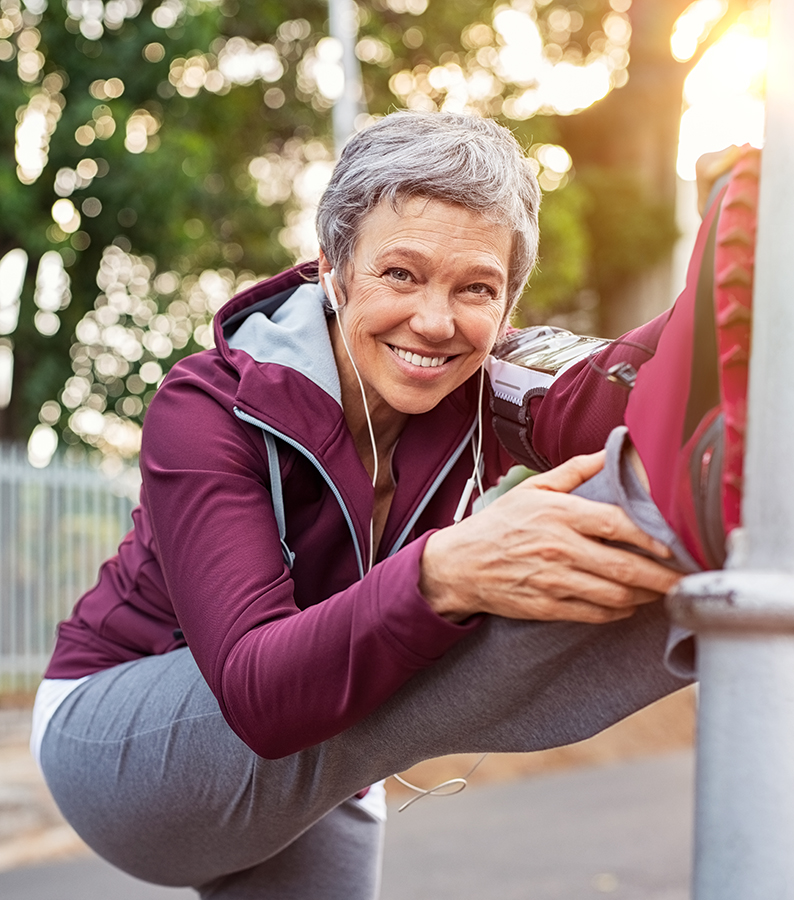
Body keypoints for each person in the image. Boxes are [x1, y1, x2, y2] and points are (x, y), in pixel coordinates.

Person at [32, 110, 722, 899]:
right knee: (494, 584)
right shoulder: (212, 405)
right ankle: (705, 521)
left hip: (329, 747)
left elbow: (609, 398)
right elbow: (258, 692)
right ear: (333, 267)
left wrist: (740, 273)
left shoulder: (484, 380)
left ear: (506, 306)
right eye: (401, 273)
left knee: (645, 470)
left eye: (476, 289)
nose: (434, 321)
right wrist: (442, 575)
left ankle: (718, 518)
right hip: (122, 743)